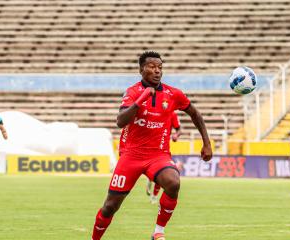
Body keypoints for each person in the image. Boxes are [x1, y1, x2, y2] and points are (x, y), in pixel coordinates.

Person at [91, 51, 212, 240]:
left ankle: (158, 232)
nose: (157, 71)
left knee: (173, 182)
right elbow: (121, 121)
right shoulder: (132, 92)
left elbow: (195, 114)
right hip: (131, 156)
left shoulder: (173, 94)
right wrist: (141, 100)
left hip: (158, 155)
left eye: (160, 67)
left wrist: (207, 143)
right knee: (110, 206)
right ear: (141, 69)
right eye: (152, 67)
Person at [146, 111, 182, 204]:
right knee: (155, 174)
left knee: (162, 173)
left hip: (163, 148)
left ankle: (154, 196)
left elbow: (179, 129)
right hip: (148, 146)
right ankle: (150, 179)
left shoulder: (172, 114)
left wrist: (176, 135)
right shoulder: (151, 110)